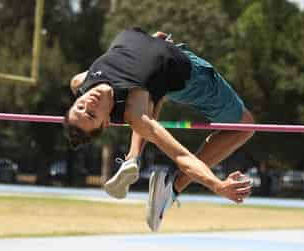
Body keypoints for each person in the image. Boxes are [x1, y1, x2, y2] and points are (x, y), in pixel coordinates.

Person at [64, 27, 254, 232]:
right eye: (92, 115)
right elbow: (181, 155)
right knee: (245, 126)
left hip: (158, 53)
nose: (88, 104)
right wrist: (217, 184)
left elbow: (75, 83)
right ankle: (172, 188)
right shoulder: (135, 110)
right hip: (193, 78)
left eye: (80, 107)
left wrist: (151, 44)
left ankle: (132, 159)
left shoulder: (81, 82)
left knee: (154, 88)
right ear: (106, 122)